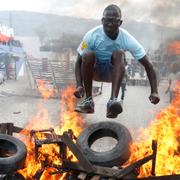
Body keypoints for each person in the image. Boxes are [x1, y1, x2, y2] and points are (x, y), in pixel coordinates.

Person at [74, 4, 160, 118]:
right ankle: (89, 101)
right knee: (87, 54)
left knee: (119, 53)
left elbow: (148, 66)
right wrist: (79, 85)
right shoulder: (91, 35)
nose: (110, 23)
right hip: (94, 72)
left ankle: (112, 101)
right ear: (102, 20)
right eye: (107, 20)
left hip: (113, 73)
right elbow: (78, 62)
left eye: (114, 20)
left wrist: (154, 91)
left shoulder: (127, 39)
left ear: (120, 22)